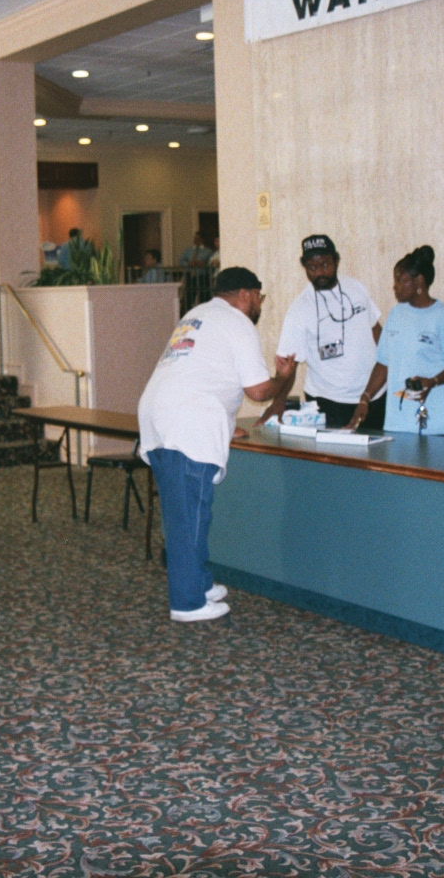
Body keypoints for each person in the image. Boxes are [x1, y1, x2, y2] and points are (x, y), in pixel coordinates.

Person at [138, 266, 295, 623]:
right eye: (259, 297)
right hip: (187, 424)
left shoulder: (196, 315)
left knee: (187, 513)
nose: (259, 305)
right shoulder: (238, 322)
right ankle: (188, 603)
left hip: (162, 417)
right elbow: (257, 391)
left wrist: (224, 426)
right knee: (189, 518)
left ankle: (197, 582)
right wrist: (283, 378)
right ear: (245, 295)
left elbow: (203, 375)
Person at [263, 234, 385, 430]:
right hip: (330, 402)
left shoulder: (356, 288)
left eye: (326, 265)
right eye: (312, 267)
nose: (320, 272)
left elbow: (379, 334)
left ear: (336, 261)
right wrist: (279, 400)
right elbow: (288, 364)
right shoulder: (300, 309)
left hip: (374, 396)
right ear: (305, 268)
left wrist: (390, 372)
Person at [347, 245, 444, 436]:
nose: (394, 286)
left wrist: (432, 381)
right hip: (399, 424)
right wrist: (365, 399)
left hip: (440, 424)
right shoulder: (396, 314)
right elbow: (383, 363)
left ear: (419, 281)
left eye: (400, 280)